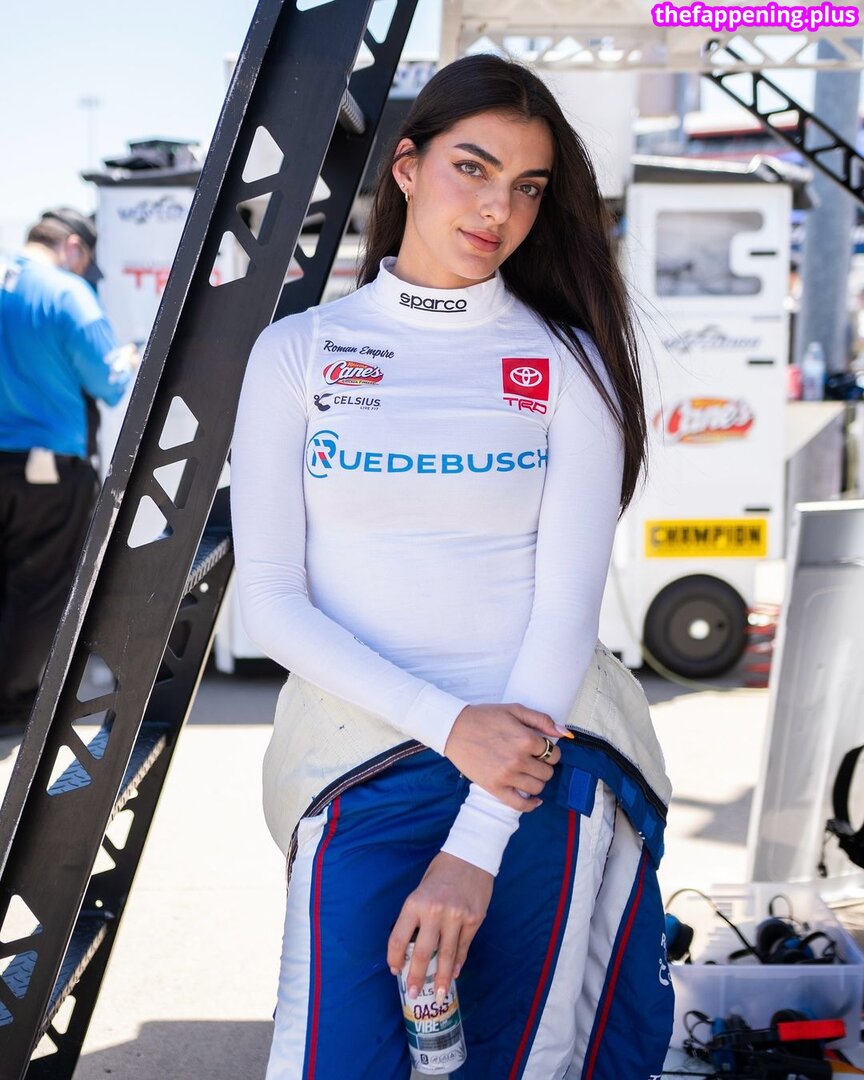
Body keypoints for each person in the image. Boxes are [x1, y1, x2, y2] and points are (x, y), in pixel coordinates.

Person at [231, 54, 673, 1078]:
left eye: (527, 187)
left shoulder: (570, 361)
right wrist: (449, 726)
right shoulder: (298, 352)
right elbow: (274, 603)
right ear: (406, 167)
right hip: (361, 761)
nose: (497, 209)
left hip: (537, 771)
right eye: (472, 168)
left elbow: (565, 612)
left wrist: (477, 839)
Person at [0, 208, 135, 734]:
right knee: (39, 587)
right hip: (47, 468)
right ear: (74, 247)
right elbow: (109, 381)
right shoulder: (65, 293)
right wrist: (126, 358)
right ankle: (13, 707)